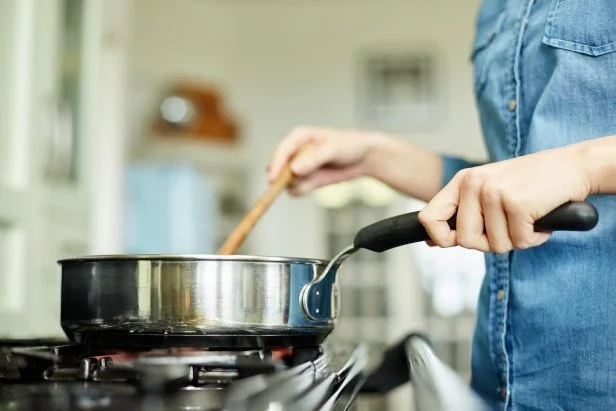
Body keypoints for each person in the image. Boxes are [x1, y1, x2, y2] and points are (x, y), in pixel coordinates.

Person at [267, 1, 616, 410]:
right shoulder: (496, 11)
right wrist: (371, 155)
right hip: (503, 383)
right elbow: (510, 185)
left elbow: (560, 173)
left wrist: (585, 166)